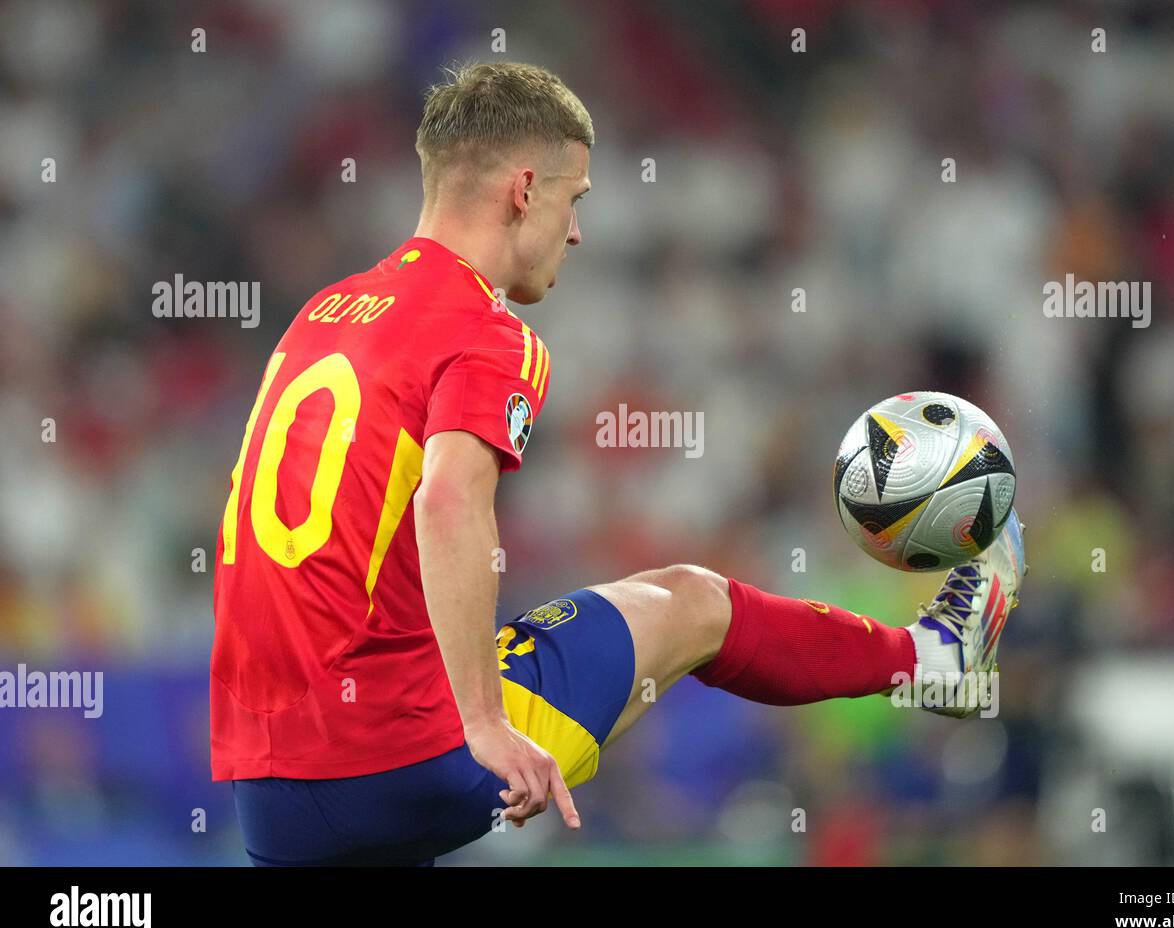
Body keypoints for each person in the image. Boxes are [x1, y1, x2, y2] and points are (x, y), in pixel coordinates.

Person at [210, 61, 1026, 866]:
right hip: (399, 759)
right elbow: (448, 503)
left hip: (267, 791)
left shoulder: (323, 315)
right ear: (524, 190)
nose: (575, 231)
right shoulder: (485, 331)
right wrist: (485, 727)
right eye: (574, 200)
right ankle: (932, 662)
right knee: (691, 603)